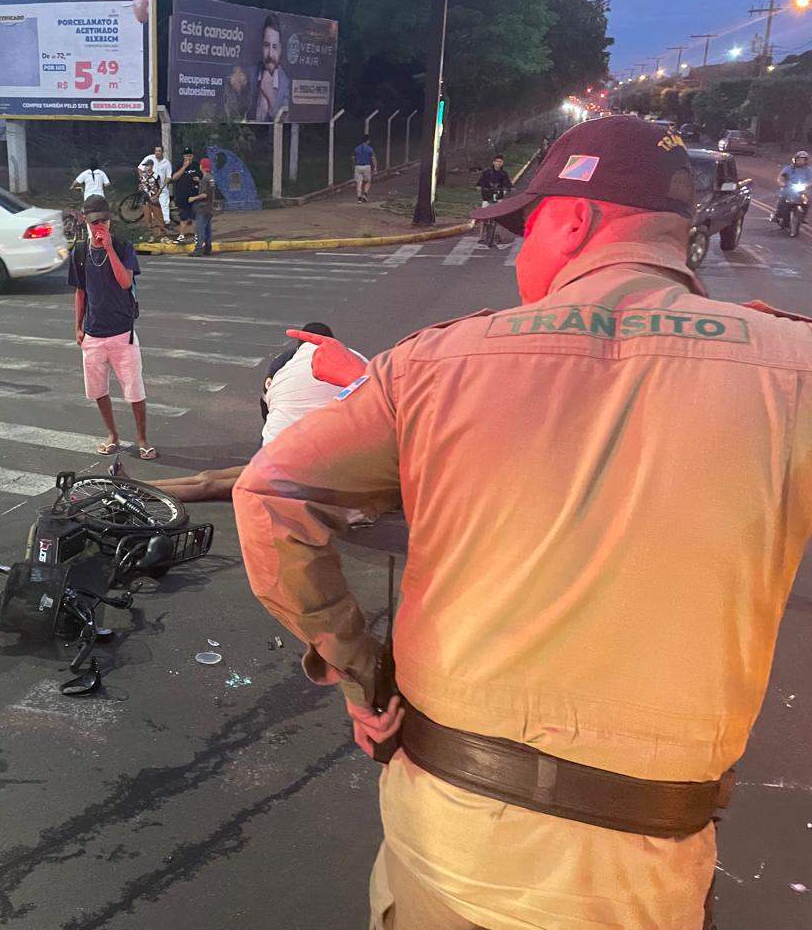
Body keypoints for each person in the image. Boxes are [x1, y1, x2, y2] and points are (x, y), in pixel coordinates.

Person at [233, 114, 804, 930]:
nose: (519, 257)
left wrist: (364, 675)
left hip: (452, 837)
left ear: (574, 220)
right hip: (641, 878)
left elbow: (270, 495)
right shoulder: (791, 368)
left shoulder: (436, 362)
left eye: (527, 228)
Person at [149, 323, 358, 502]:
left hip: (285, 453)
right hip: (307, 464)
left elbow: (267, 405)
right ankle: (131, 489)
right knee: (210, 483)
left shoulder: (288, 361)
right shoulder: (352, 360)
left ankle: (132, 489)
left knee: (209, 480)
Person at [68, 195, 155, 460]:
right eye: (95, 222)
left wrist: (108, 250)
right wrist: (78, 327)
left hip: (122, 333)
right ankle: (112, 435)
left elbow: (125, 282)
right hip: (93, 333)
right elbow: (80, 292)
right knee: (98, 390)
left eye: (103, 221)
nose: (99, 227)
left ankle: (142, 438)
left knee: (134, 390)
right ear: (85, 221)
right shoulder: (80, 252)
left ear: (110, 220)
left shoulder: (123, 246)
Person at [251, 15, 291, 122]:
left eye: (274, 47)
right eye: (266, 45)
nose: (270, 54)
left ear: (280, 50)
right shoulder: (250, 74)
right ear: (261, 46)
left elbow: (285, 122)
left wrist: (270, 96)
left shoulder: (286, 84)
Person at [474, 155, 513, 249]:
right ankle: (481, 236)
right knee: (483, 216)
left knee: (500, 217)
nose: (498, 163)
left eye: (500, 161)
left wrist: (507, 189)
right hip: (487, 197)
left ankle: (499, 235)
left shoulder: (503, 174)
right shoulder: (486, 173)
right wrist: (481, 188)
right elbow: (479, 184)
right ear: (493, 162)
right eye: (497, 161)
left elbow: (508, 185)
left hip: (498, 197)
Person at [773, 149, 812, 228]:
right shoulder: (788, 168)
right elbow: (781, 177)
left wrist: (809, 185)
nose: (801, 162)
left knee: (808, 200)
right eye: (799, 160)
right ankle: (777, 214)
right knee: (782, 198)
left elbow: (811, 179)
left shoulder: (808, 170)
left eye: (803, 160)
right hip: (789, 188)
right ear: (795, 160)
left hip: (802, 190)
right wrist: (782, 183)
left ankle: (804, 217)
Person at [137, 144, 174, 227]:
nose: (157, 153)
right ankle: (154, 226)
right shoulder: (149, 158)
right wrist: (144, 180)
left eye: (159, 151)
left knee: (164, 205)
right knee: (151, 207)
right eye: (156, 151)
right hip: (150, 189)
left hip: (161, 187)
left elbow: (168, 176)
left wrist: (163, 185)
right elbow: (140, 168)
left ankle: (165, 225)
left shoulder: (166, 163)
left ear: (163, 152)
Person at [170, 148, 201, 245]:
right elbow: (174, 177)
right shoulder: (179, 165)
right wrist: (184, 167)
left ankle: (197, 236)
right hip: (182, 195)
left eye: (190, 155)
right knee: (183, 216)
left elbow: (203, 178)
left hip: (194, 195)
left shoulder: (196, 165)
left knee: (195, 217)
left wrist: (198, 180)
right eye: (186, 156)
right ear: (184, 156)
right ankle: (181, 236)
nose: (188, 157)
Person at [189, 156, 217, 257]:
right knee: (207, 229)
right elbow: (209, 190)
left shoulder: (205, 178)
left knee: (200, 229)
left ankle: (199, 249)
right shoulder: (211, 178)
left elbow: (205, 194)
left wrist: (193, 198)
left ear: (201, 166)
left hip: (202, 207)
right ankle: (208, 248)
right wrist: (199, 182)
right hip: (210, 207)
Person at [137, 158, 163, 235]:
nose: (146, 167)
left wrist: (156, 196)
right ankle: (151, 234)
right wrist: (141, 189)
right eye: (145, 166)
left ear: (151, 166)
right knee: (147, 217)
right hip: (145, 198)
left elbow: (160, 187)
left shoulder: (156, 176)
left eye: (148, 166)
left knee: (158, 216)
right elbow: (141, 186)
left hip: (154, 197)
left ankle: (163, 234)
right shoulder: (143, 176)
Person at [353, 135, 378, 202]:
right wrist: (375, 167)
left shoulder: (356, 148)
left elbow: (353, 158)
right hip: (366, 166)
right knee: (368, 181)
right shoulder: (370, 149)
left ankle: (359, 198)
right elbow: (373, 158)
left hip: (358, 166)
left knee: (359, 182)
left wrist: (354, 165)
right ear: (368, 141)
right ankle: (365, 194)